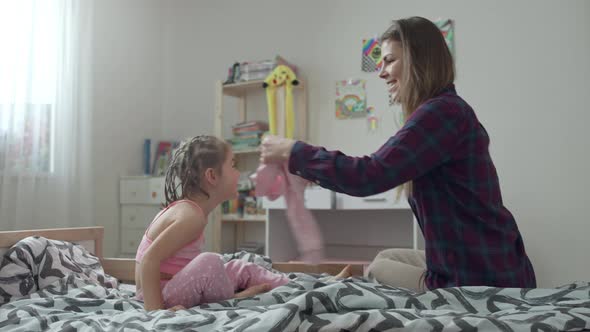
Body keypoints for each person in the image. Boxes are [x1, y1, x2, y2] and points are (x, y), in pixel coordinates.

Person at [260, 16, 536, 291]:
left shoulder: (442, 113)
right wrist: (310, 168)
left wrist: (293, 151)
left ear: (418, 61)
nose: (381, 72)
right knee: (386, 258)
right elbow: (374, 169)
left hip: (480, 277)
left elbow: (368, 175)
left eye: (390, 61)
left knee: (378, 268)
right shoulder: (444, 111)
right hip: (484, 262)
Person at [134, 135, 291, 311]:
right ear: (212, 176)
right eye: (233, 165)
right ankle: (235, 299)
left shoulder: (190, 211)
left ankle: (290, 286)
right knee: (210, 261)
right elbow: (148, 260)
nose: (238, 173)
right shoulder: (191, 217)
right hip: (159, 296)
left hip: (170, 284)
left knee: (237, 267)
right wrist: (156, 313)